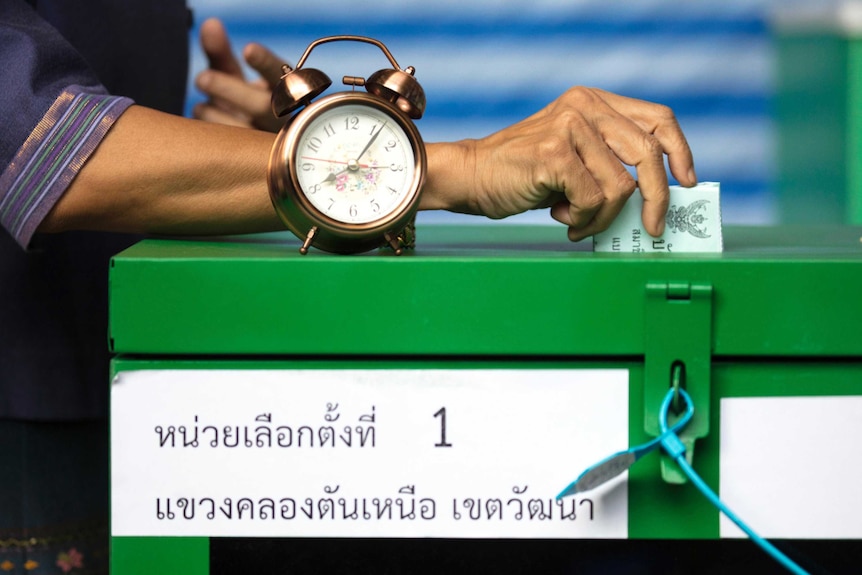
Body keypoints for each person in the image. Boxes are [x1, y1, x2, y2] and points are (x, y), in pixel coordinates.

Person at [0, 2, 696, 573]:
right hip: (31, 427)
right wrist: (460, 167)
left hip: (141, 385)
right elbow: (40, 145)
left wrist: (239, 161)